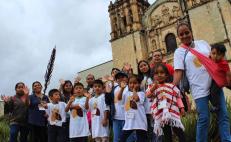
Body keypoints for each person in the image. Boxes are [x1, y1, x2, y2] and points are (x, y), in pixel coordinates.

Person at [173, 22, 231, 141]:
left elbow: (216, 57)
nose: (185, 36)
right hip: (198, 89)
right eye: (181, 34)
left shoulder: (203, 43)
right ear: (178, 36)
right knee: (204, 119)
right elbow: (178, 71)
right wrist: (171, 87)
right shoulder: (179, 52)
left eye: (187, 32)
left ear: (191, 31)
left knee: (223, 116)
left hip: (214, 84)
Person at [146, 64, 185, 142]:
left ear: (166, 75)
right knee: (167, 134)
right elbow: (148, 95)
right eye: (156, 73)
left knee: (179, 132)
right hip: (161, 113)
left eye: (162, 72)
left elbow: (178, 97)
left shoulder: (171, 86)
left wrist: (182, 108)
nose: (159, 75)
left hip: (172, 113)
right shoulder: (152, 87)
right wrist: (154, 87)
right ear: (153, 76)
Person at [117, 74, 148, 142]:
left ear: (139, 84)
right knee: (122, 139)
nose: (132, 85)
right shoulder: (126, 93)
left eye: (135, 83)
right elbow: (119, 98)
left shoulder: (141, 93)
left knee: (142, 139)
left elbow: (136, 98)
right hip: (129, 121)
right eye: (130, 83)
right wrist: (122, 88)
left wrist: (134, 89)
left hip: (140, 122)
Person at [209, 43, 231, 112]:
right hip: (217, 80)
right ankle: (216, 106)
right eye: (213, 53)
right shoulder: (209, 58)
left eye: (218, 54)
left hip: (225, 79)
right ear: (210, 53)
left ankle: (216, 106)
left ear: (223, 55)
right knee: (213, 91)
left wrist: (228, 83)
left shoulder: (223, 63)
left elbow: (228, 74)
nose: (215, 56)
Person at [137, 60, 155, 142]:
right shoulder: (139, 79)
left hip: (155, 104)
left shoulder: (154, 76)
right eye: (141, 66)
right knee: (149, 129)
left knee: (157, 127)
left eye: (145, 65)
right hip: (145, 107)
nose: (143, 67)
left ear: (148, 65)